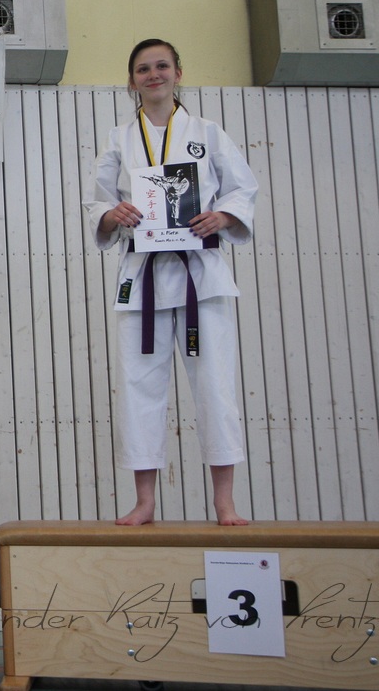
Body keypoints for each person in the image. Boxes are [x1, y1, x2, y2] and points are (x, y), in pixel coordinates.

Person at [86, 38, 258, 525]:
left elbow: (242, 188)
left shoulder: (208, 132)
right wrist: (112, 215)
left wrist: (223, 216)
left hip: (200, 275)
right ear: (132, 81)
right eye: (143, 69)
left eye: (162, 65)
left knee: (215, 385)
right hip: (142, 276)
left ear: (178, 72)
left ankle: (224, 502)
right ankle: (145, 501)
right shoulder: (119, 138)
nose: (153, 74)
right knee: (139, 386)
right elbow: (97, 201)